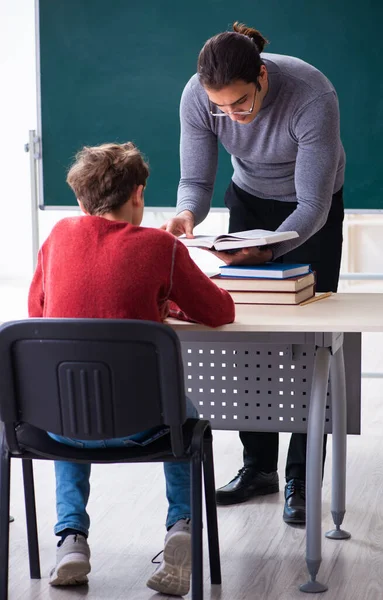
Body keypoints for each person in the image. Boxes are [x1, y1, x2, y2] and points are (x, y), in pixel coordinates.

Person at [28, 142, 235, 596]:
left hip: (61, 428)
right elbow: (220, 311)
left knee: (70, 400)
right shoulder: (163, 247)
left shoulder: (57, 239)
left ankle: (71, 541)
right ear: (138, 194)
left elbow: (37, 313)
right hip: (148, 425)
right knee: (186, 415)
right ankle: (181, 525)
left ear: (81, 201)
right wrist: (167, 301)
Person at [162, 22, 345, 524]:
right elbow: (196, 180)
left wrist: (269, 253)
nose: (232, 118)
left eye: (240, 104)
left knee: (312, 341)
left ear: (261, 77)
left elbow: (312, 203)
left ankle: (302, 479)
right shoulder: (199, 97)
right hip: (248, 203)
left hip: (312, 210)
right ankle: (258, 468)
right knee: (250, 339)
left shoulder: (312, 96)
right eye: (219, 108)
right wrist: (185, 215)